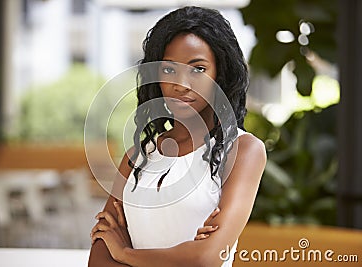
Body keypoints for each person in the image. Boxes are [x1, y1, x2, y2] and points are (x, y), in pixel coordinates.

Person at [88, 6, 266, 267]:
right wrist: (183, 255)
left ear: (221, 74)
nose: (181, 84)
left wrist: (126, 254)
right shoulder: (137, 158)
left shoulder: (243, 150)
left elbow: (207, 257)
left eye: (198, 69)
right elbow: (100, 256)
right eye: (169, 70)